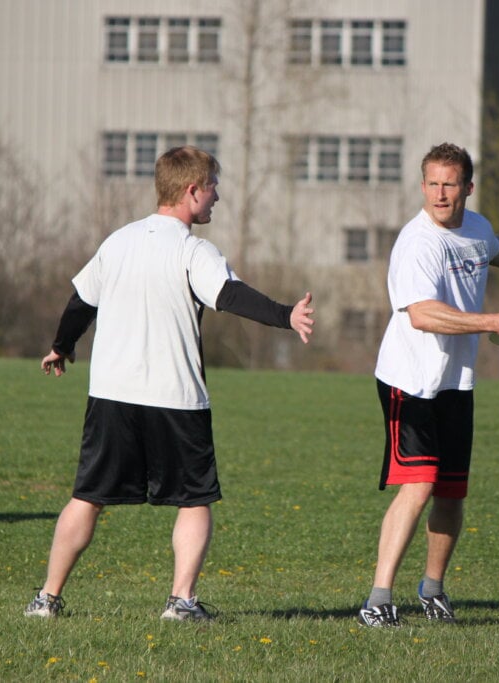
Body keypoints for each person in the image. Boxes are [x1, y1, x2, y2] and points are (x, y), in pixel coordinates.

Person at [24, 146, 314, 622]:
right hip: (176, 399)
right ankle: (181, 603)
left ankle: (46, 600)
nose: (217, 196)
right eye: (213, 187)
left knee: (88, 496)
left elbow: (81, 302)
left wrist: (62, 344)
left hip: (112, 396)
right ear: (191, 191)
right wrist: (287, 315)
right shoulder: (193, 250)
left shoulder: (118, 241)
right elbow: (230, 295)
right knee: (195, 500)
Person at [358, 142, 499, 627]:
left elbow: (497, 247)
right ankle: (378, 599)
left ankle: (433, 589)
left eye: (450, 184)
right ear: (423, 186)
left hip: (455, 382)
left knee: (451, 491)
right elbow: (422, 316)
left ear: (468, 187)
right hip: (411, 381)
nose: (441, 195)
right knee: (418, 486)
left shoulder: (475, 227)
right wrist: (491, 321)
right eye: (433, 184)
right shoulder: (417, 243)